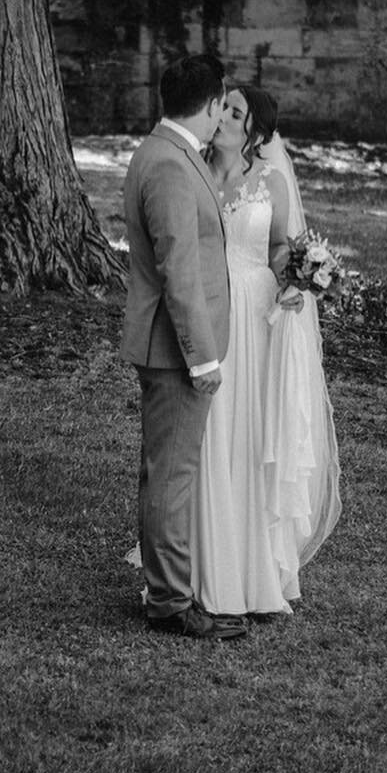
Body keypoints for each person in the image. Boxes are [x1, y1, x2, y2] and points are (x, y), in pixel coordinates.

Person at [193, 83, 342, 618]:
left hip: (255, 319)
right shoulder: (195, 168)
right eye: (223, 107)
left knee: (249, 434)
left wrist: (296, 279)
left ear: (255, 131)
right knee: (211, 430)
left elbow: (279, 246)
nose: (224, 117)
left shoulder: (272, 182)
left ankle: (251, 565)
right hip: (207, 309)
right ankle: (201, 560)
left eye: (236, 112)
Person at [120, 52, 247, 641]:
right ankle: (170, 602)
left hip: (169, 348)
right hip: (174, 351)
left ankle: (165, 586)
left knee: (164, 472)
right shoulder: (169, 165)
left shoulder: (166, 151)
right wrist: (203, 357)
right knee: (172, 476)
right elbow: (178, 270)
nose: (225, 111)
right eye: (224, 102)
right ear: (213, 104)